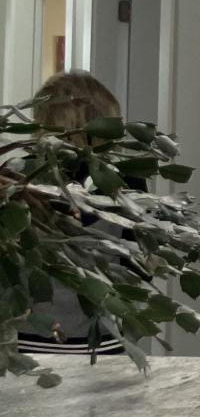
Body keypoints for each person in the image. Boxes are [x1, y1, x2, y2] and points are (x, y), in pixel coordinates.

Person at [18, 70, 126, 356]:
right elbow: (138, 265)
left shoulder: (16, 176)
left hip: (28, 338)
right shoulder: (121, 180)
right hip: (100, 340)